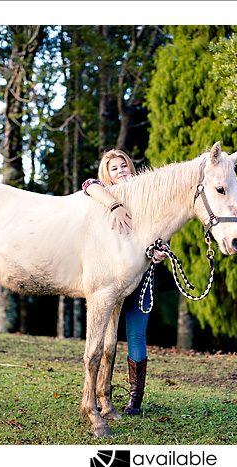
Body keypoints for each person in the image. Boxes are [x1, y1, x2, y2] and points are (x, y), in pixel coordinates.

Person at [82, 149, 168, 415]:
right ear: (107, 173)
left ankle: (135, 398)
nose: (121, 171)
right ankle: (99, 392)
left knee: (135, 335)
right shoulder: (103, 194)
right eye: (114, 168)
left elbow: (161, 230)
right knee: (106, 340)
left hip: (140, 280)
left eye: (124, 166)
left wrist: (161, 249)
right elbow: (88, 185)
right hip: (109, 277)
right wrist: (115, 205)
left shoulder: (146, 198)